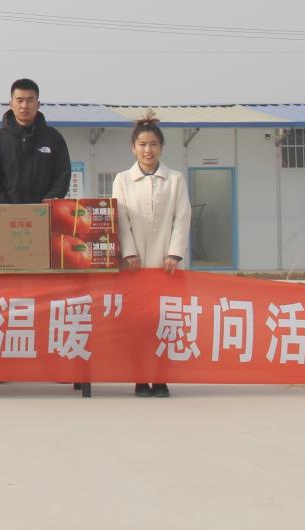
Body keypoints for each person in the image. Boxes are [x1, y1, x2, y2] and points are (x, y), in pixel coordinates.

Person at [111, 112, 192, 397]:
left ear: (162, 148)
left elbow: (182, 218)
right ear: (133, 148)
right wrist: (129, 253)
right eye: (142, 145)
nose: (148, 150)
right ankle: (140, 378)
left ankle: (160, 378)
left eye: (154, 144)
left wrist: (174, 253)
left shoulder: (175, 180)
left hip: (166, 265)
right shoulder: (122, 180)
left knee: (164, 322)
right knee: (138, 323)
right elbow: (120, 220)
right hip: (134, 266)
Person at [0, 78, 71, 204]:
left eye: (30, 100)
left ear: (38, 104)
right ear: (11, 104)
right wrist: (6, 208)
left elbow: (62, 176)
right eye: (19, 100)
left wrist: (46, 205)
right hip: (8, 213)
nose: (24, 106)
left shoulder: (54, 138)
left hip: (44, 211)